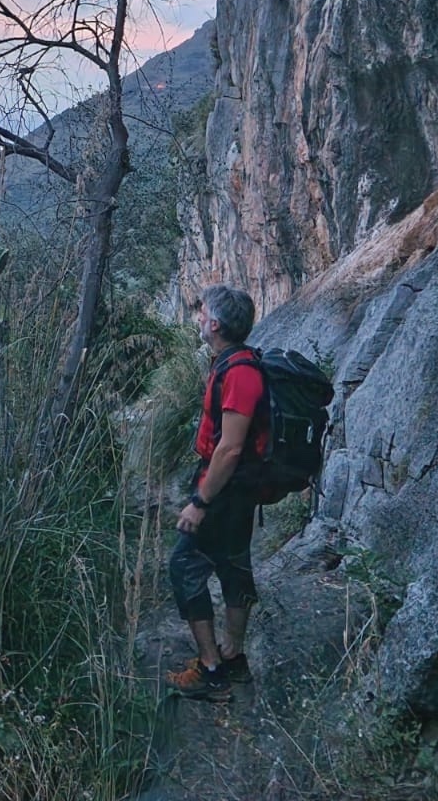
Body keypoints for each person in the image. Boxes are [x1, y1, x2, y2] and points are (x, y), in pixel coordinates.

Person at [163, 283, 267, 702]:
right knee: (232, 567)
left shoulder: (240, 373)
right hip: (237, 490)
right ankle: (234, 658)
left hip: (224, 490)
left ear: (216, 324)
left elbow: (230, 448)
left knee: (184, 567)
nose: (198, 318)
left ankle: (210, 670)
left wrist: (200, 502)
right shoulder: (232, 364)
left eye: (202, 313)